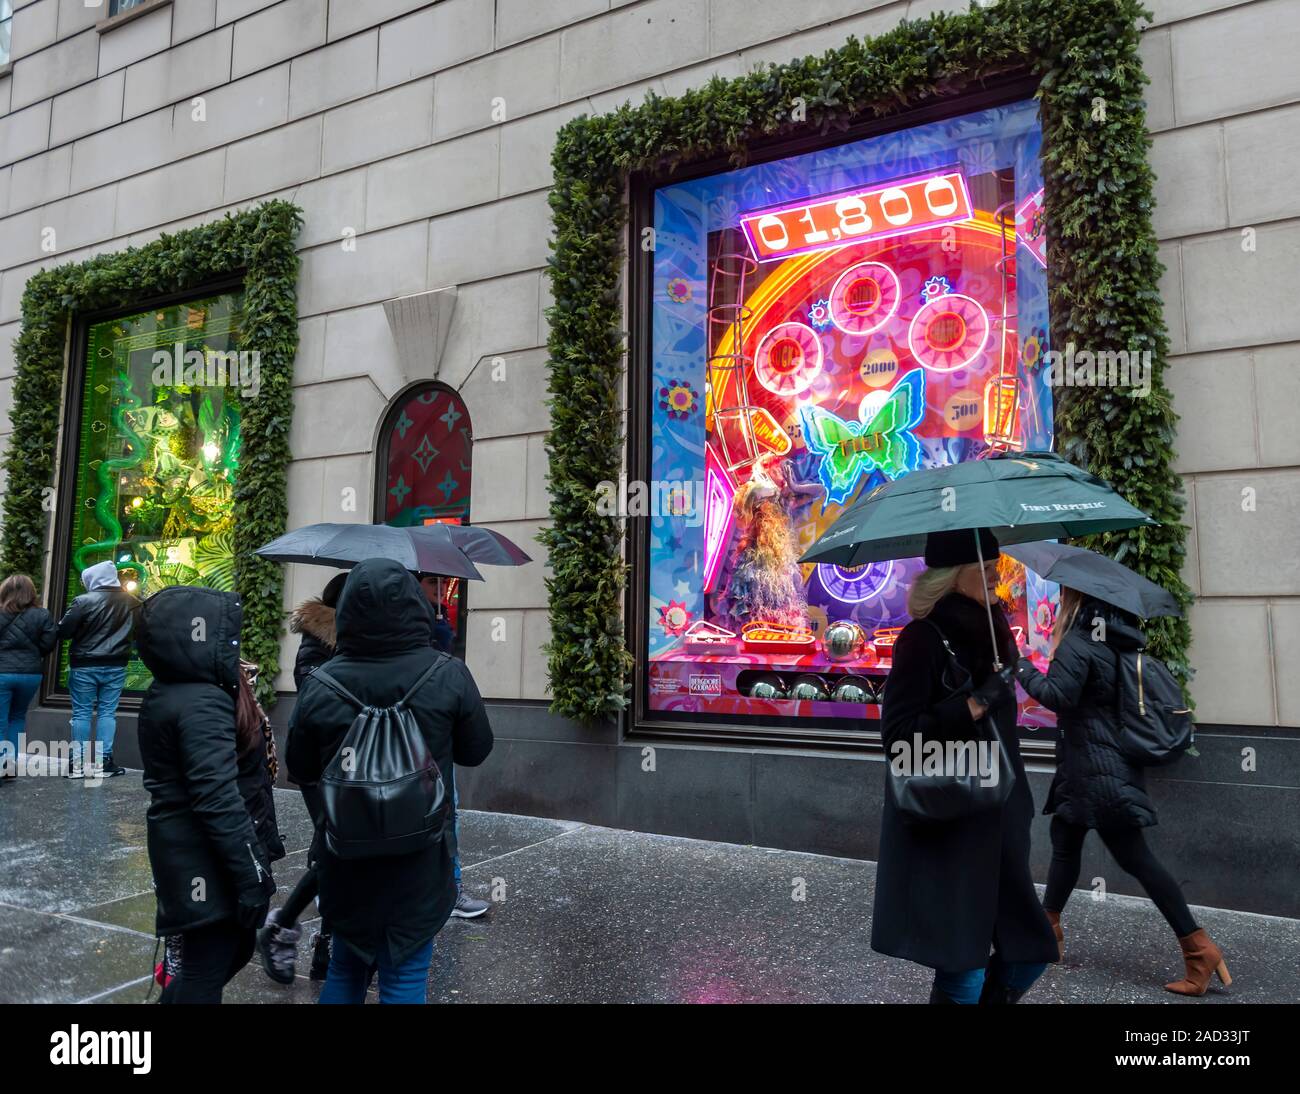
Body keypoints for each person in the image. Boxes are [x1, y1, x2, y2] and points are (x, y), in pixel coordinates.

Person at [288, 559, 493, 1004]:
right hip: (420, 860)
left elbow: (299, 768)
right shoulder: (447, 673)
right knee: (405, 978)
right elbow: (476, 750)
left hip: (345, 858)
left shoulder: (320, 683)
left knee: (345, 969)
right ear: (415, 607)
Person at [872, 528, 1059, 1004]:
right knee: (964, 970)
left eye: (996, 564)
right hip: (952, 817)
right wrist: (973, 705)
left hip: (1001, 814)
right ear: (956, 576)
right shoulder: (922, 639)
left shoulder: (996, 635)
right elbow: (898, 738)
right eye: (987, 567)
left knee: (1030, 951)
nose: (997, 574)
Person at [1016, 587, 1231, 996]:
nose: (1060, 601)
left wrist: (1022, 666)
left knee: (1136, 859)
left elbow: (1058, 696)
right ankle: (1047, 932)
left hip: (1096, 772)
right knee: (1065, 839)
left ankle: (1199, 948)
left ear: (1075, 600)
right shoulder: (1111, 640)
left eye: (1064, 595)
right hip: (1094, 766)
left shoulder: (1079, 643)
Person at [136, 586, 281, 1004]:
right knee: (205, 969)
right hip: (204, 857)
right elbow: (216, 797)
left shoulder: (182, 691)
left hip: (196, 853)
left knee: (225, 953)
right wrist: (250, 874)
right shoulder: (200, 701)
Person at [257, 571, 348, 984]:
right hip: (319, 758)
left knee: (339, 849)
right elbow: (312, 690)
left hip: (355, 759)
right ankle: (291, 930)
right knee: (332, 847)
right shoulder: (319, 636)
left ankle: (318, 939)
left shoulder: (364, 639)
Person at [415, 572, 489, 920]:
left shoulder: (438, 626)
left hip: (434, 748)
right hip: (417, 752)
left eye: (443, 583)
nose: (441, 588)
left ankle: (449, 889)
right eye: (433, 583)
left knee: (446, 814)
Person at [57, 561, 139, 779]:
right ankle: (104, 762)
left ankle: (76, 765)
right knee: (107, 713)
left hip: (84, 664)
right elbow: (140, 633)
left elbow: (63, 632)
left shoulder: (83, 601)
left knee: (82, 713)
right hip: (116, 665)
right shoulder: (132, 602)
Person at [0, 574, 57, 781]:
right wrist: (33, 655)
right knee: (17, 717)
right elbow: (49, 642)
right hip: (30, 674)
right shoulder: (42, 614)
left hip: (2, 674)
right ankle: (10, 763)